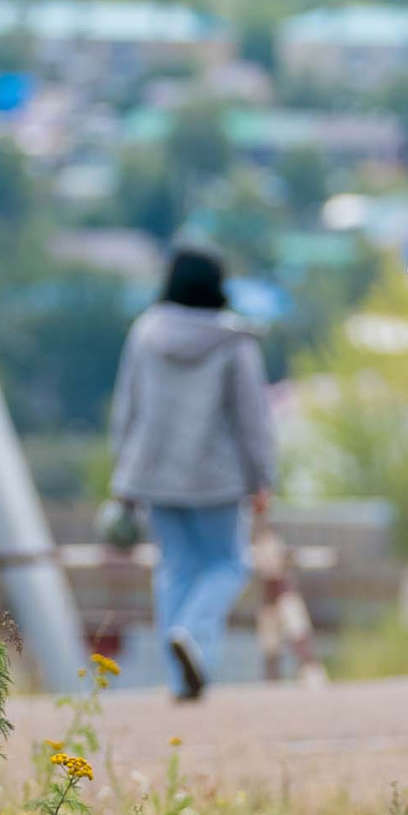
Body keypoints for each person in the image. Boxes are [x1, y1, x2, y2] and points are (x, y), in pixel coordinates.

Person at [108, 246, 276, 700]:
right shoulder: (234, 340)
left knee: (175, 568)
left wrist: (121, 476)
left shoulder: (145, 333)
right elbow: (251, 417)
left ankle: (181, 675)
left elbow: (127, 407)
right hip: (217, 478)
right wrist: (262, 477)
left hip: (153, 473)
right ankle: (193, 634)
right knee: (229, 563)